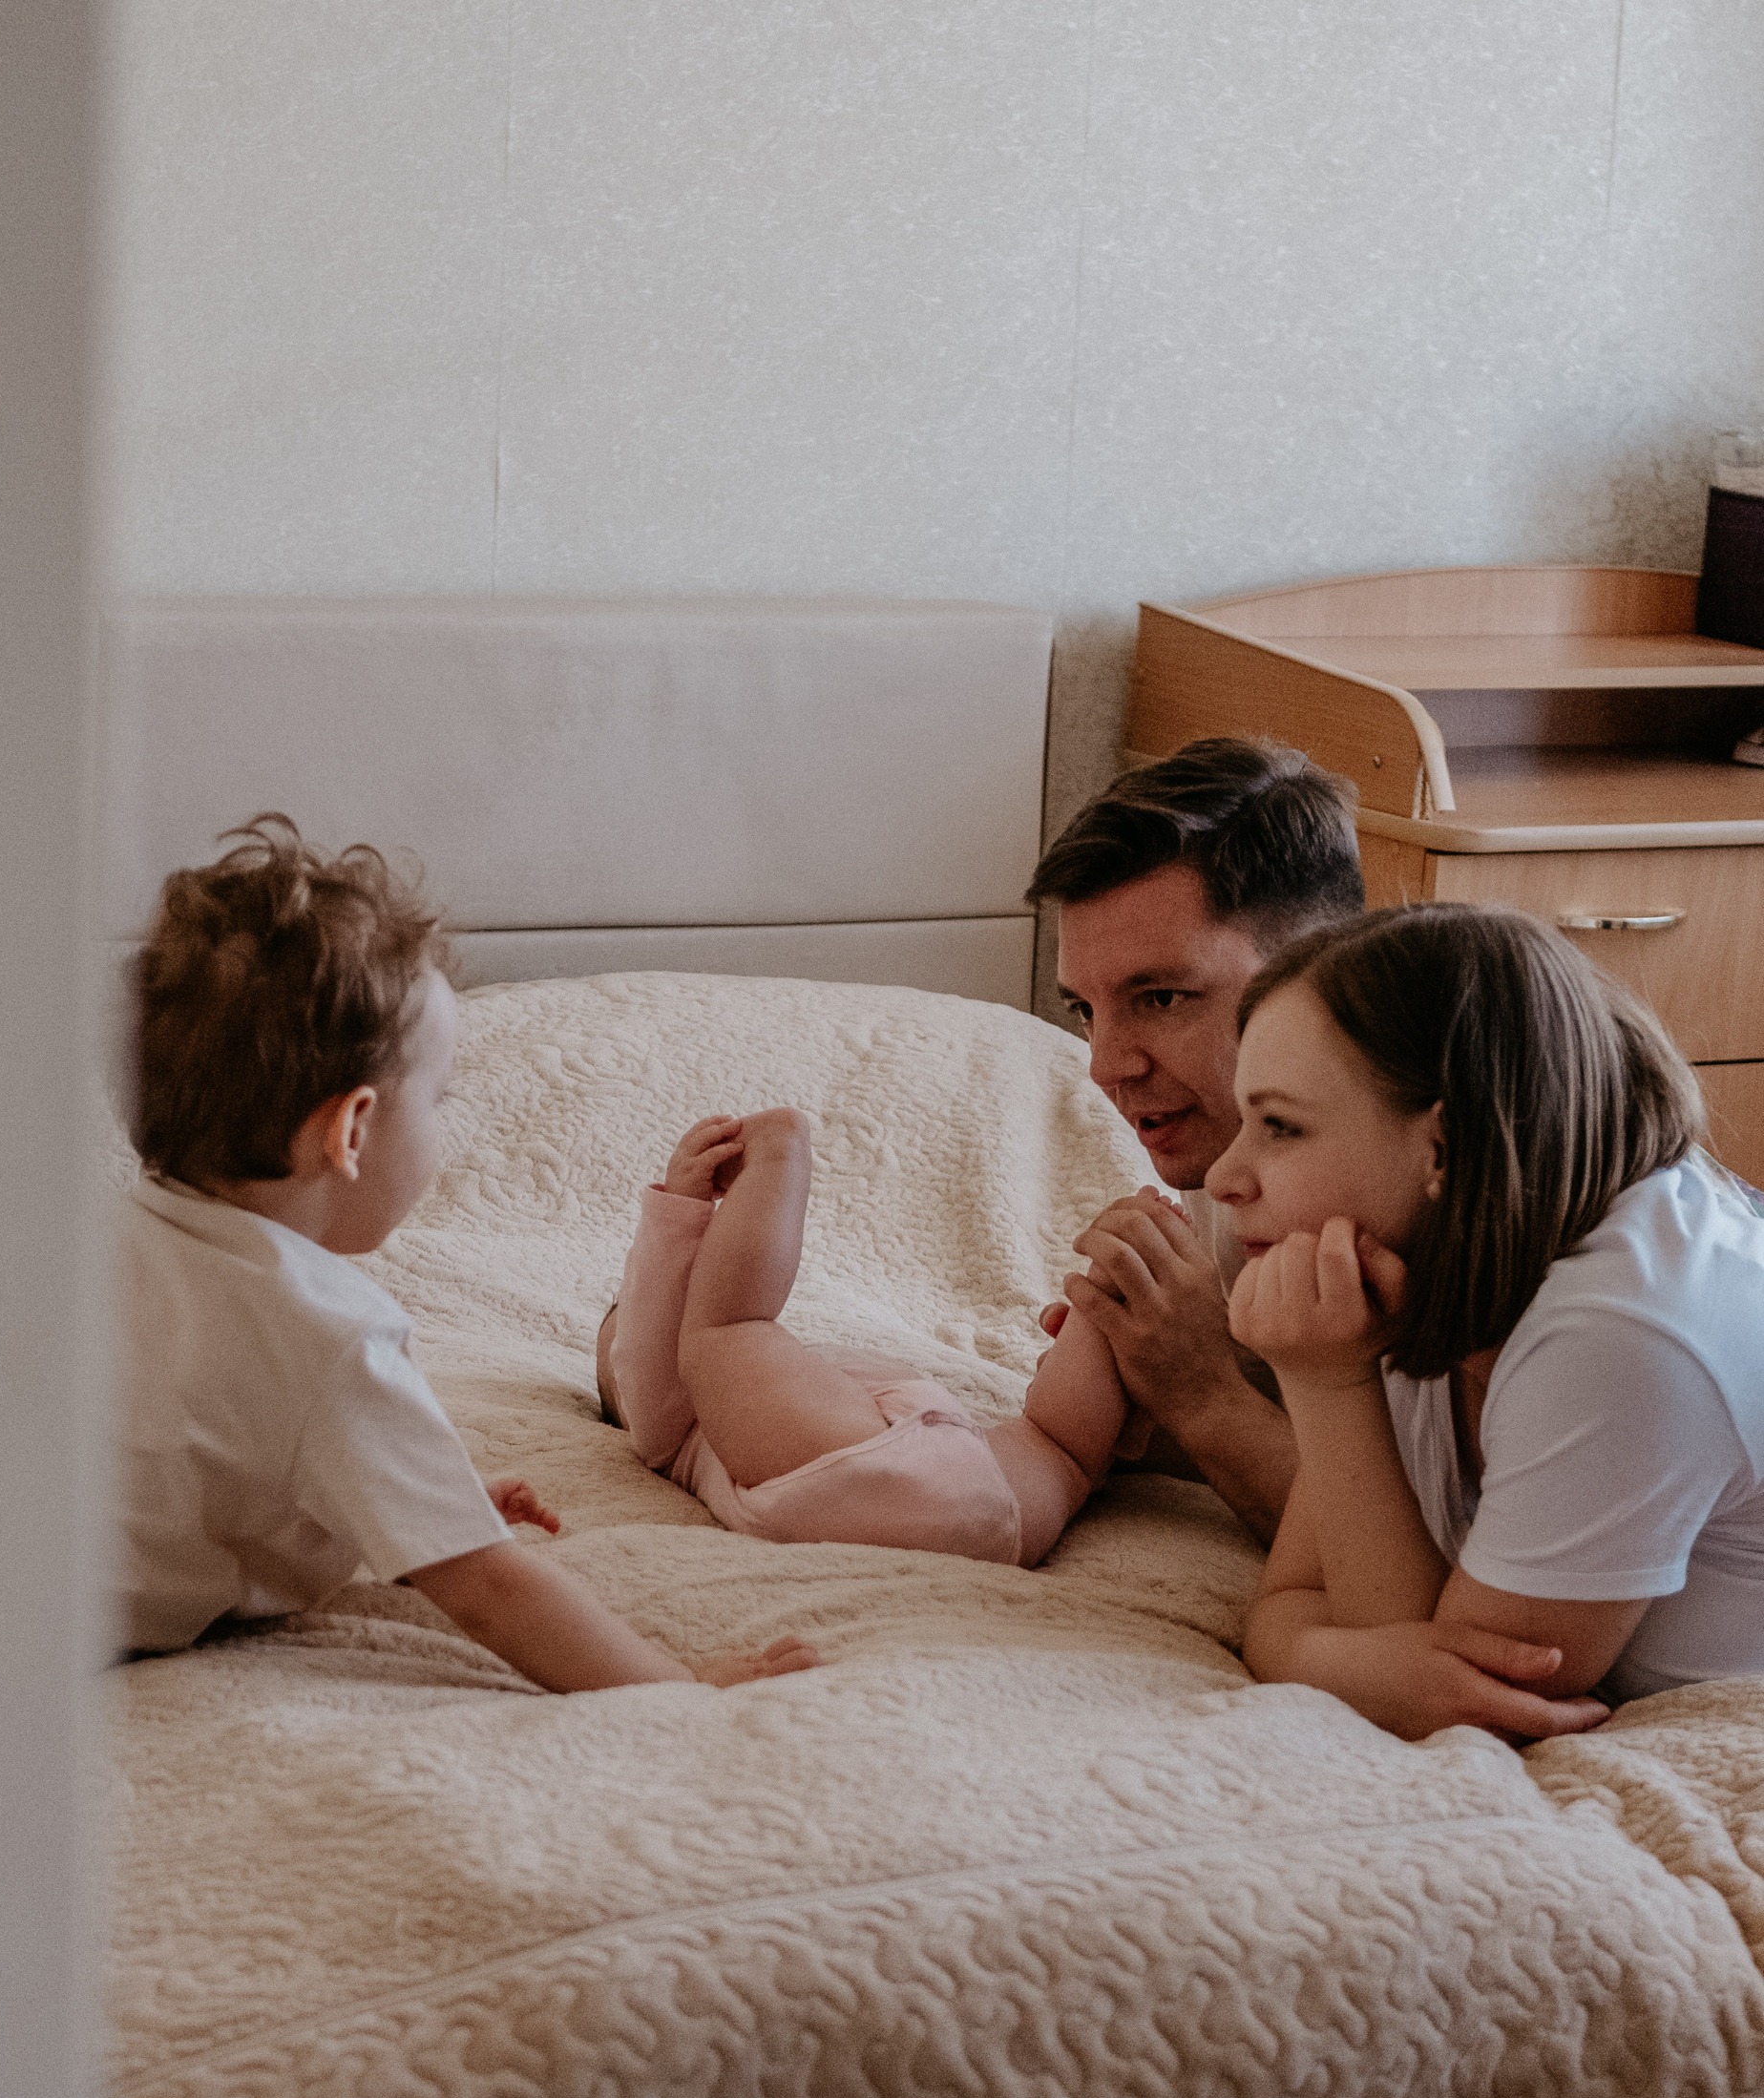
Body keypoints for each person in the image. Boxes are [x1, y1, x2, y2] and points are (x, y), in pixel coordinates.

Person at [116, 815, 811, 1690]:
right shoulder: (330, 1337)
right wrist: (679, 1686)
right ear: (353, 1130)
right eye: (438, 1100)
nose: (444, 1128)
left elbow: (192, 1453)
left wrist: (409, 1503)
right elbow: (487, 1586)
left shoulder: (98, 1244)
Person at [1214, 902, 1764, 1736]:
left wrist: (1323, 1386)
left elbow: (1469, 1700)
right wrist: (1293, 1645)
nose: (1224, 1175)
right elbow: (1306, 1608)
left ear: (1442, 1144)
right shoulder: (1426, 1256)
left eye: (1279, 1126)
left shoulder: (1620, 1333)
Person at [1026, 737, 1364, 1542]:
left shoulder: (1438, 1198)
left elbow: (1433, 1566)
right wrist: (1138, 1407)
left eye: (1164, 998)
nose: (1104, 1066)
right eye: (1084, 1009)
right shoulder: (1232, 1167)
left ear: (1322, 974)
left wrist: (1198, 1391)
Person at [597, 1106, 1128, 1566]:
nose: (666, 1312)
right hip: (964, 1498)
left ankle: (1122, 1288)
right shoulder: (667, 1432)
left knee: (1059, 1446)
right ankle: (778, 1155)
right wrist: (678, 1212)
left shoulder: (764, 1406)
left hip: (970, 1501)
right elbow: (648, 1355)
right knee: (726, 1326)